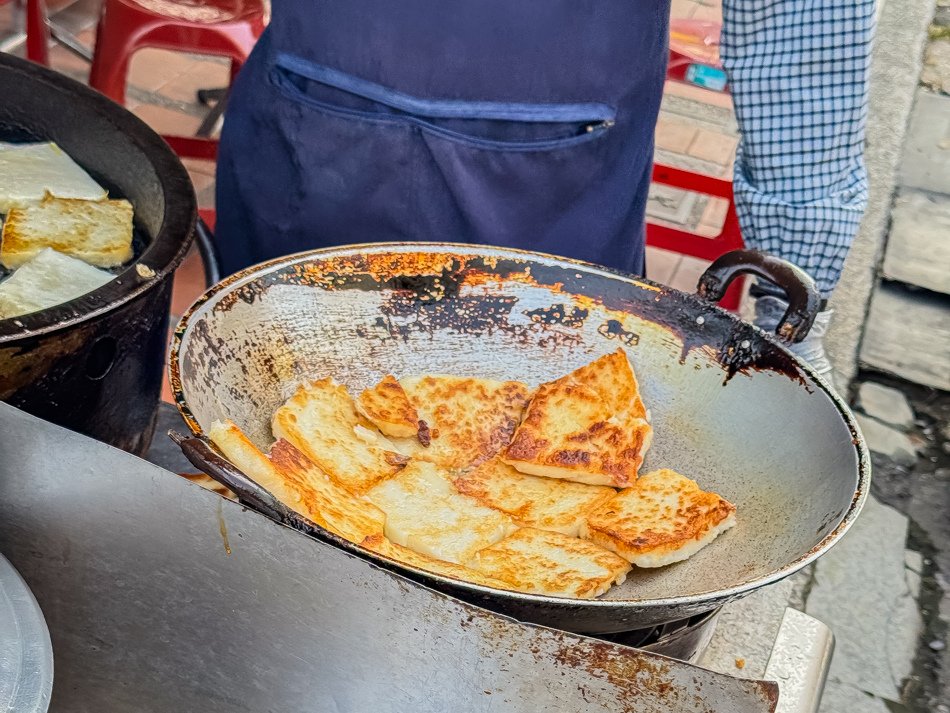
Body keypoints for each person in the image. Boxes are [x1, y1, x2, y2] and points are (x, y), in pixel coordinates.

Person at [214, 0, 876, 384]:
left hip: (554, 188)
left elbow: (804, 29)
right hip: (308, 133)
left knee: (524, 471)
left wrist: (795, 290)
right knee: (273, 419)